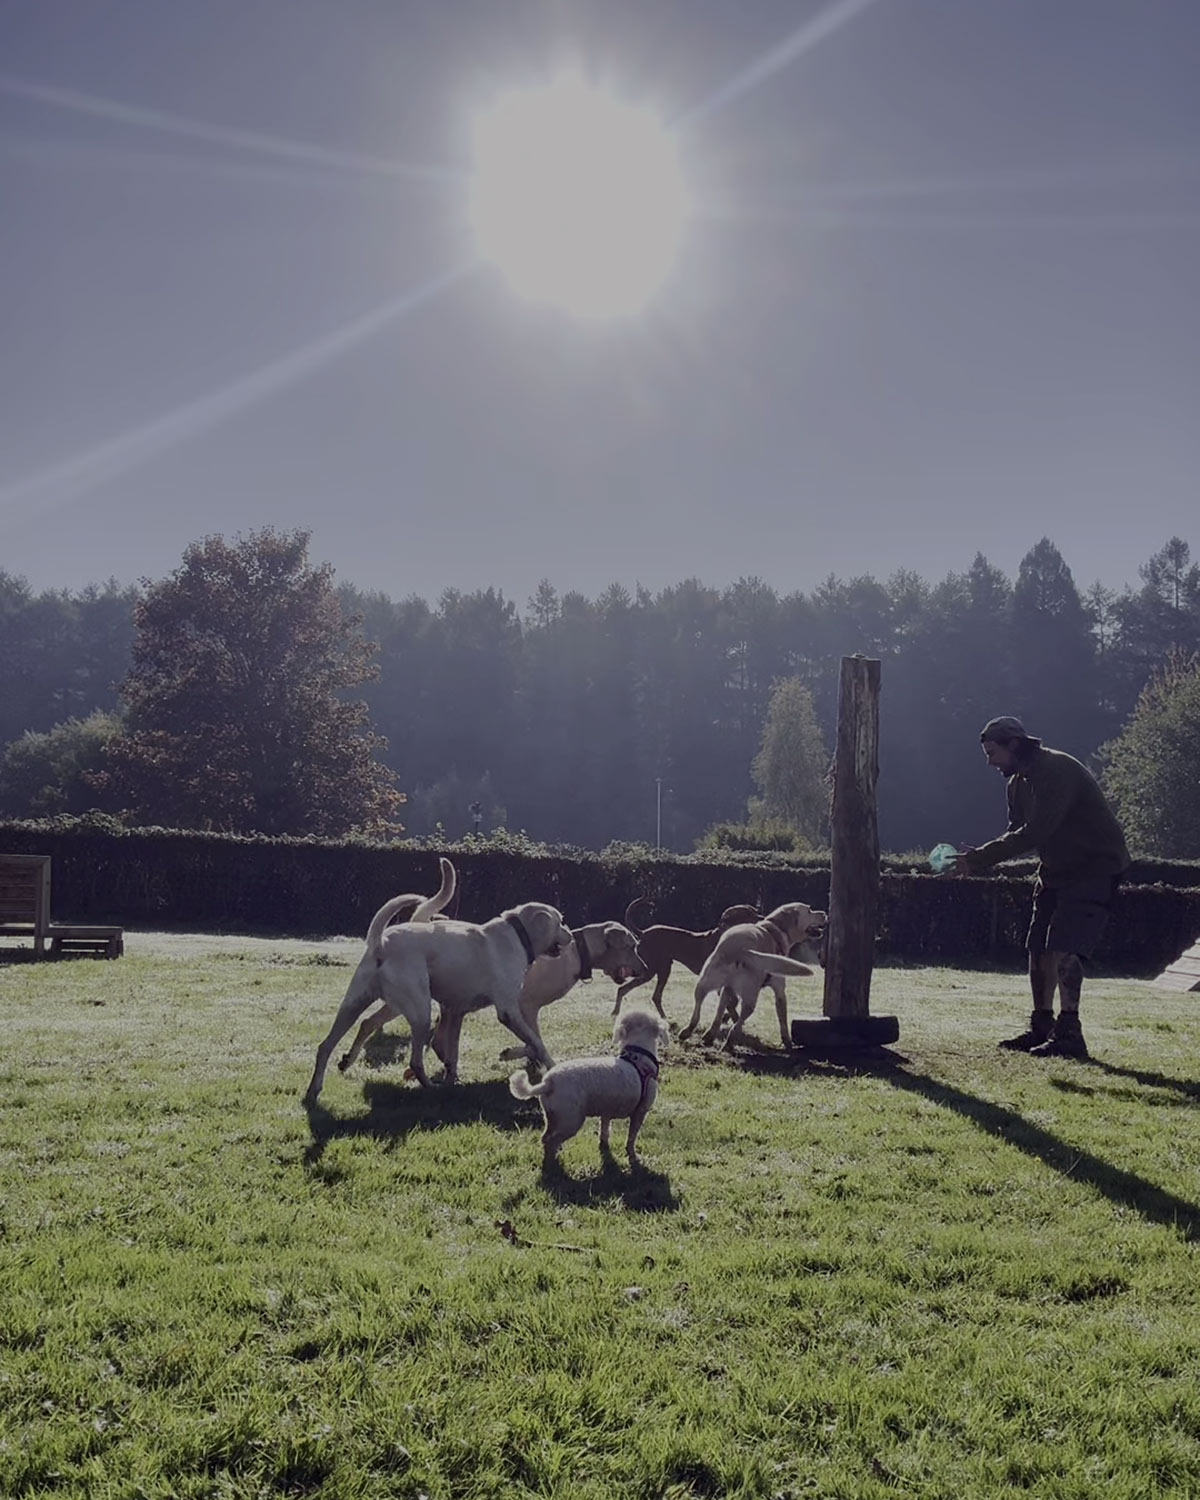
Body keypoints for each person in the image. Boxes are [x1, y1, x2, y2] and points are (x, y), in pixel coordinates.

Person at [953, 715, 1130, 1058]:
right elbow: (1016, 830)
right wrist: (978, 858)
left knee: (1066, 946)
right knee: (1038, 947)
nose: (990, 762)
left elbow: (1037, 831)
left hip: (1095, 868)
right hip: (1055, 871)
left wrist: (978, 860)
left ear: (1014, 744)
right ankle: (1041, 1026)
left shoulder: (1057, 770)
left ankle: (1070, 1033)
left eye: (993, 753)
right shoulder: (1016, 784)